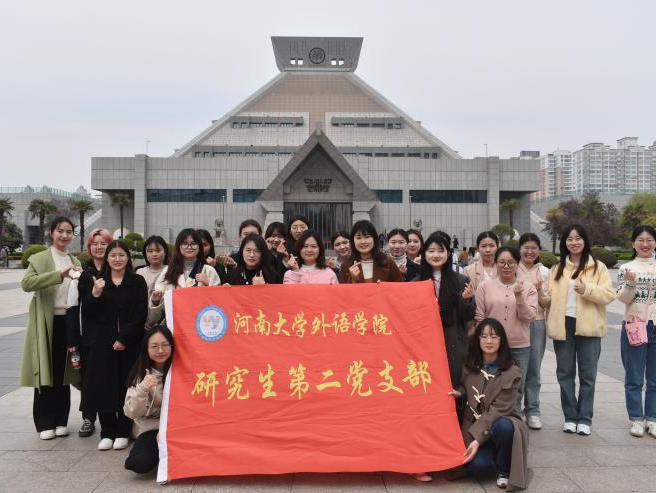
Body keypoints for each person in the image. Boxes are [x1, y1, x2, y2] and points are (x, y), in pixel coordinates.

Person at [542, 224, 615, 436]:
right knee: (564, 374)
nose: (574, 242)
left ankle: (584, 418)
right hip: (563, 325)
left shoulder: (598, 267)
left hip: (589, 327)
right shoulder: (557, 269)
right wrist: (543, 298)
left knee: (588, 375)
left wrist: (587, 289)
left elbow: (608, 295)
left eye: (578, 238)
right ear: (565, 243)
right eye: (569, 239)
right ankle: (570, 417)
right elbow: (548, 299)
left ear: (585, 240)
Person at [447, 318, 530, 491]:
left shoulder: (512, 370)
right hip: (474, 424)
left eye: (494, 337)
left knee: (505, 427)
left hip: (500, 422)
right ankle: (491, 454)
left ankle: (503, 470)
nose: (489, 341)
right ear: (477, 340)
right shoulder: (469, 364)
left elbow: (499, 409)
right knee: (477, 466)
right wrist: (460, 393)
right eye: (484, 336)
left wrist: (477, 440)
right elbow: (464, 386)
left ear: (502, 340)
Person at [81, 240, 148, 451]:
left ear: (128, 258)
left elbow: (140, 314)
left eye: (121, 255)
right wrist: (95, 294)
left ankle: (123, 430)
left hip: (130, 343)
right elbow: (88, 314)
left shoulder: (137, 281)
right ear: (107, 259)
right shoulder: (99, 281)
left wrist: (124, 339)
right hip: (102, 343)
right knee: (103, 385)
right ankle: (107, 431)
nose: (117, 259)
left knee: (126, 386)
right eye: (113, 256)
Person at [20, 216, 82, 440]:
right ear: (51, 232)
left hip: (68, 322)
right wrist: (58, 275)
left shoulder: (75, 259)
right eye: (60, 231)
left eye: (68, 232)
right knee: (46, 371)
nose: (64, 235)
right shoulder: (40, 258)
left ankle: (61, 420)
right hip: (47, 321)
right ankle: (45, 421)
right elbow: (27, 284)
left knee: (63, 371)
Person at [475, 246, 538, 410]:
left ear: (517, 264)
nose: (506, 266)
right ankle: (487, 419)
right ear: (496, 263)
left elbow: (529, 317)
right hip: (491, 346)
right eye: (502, 262)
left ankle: (515, 419)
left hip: (519, 346)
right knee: (490, 383)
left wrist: (519, 297)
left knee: (516, 386)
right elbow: (480, 317)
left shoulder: (528, 287)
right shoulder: (484, 286)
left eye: (511, 262)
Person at [66, 227, 113, 438]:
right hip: (88, 336)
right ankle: (88, 417)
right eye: (95, 244)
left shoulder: (116, 271)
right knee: (88, 379)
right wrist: (73, 338)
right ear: (89, 247)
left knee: (108, 376)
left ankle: (111, 416)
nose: (99, 247)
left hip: (111, 335)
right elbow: (73, 307)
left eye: (103, 243)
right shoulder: (82, 275)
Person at [417, 231, 475, 387]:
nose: (436, 255)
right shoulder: (416, 282)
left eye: (440, 250)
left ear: (448, 254)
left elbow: (468, 316)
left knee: (452, 383)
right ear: (424, 254)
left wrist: (467, 300)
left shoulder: (461, 280)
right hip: (424, 344)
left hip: (453, 342)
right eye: (431, 251)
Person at [617, 225, 656, 438]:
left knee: (654, 378)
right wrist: (631, 284)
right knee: (634, 377)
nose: (645, 244)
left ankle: (652, 418)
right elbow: (623, 299)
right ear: (633, 243)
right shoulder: (627, 268)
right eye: (640, 240)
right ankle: (636, 419)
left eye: (649, 239)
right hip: (634, 326)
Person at [124, 325, 174, 474]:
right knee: (139, 462)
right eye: (154, 346)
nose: (160, 350)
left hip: (180, 426)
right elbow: (130, 412)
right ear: (146, 349)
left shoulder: (181, 368)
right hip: (152, 428)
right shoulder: (141, 374)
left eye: (165, 345)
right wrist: (143, 388)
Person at [148, 229, 221, 326]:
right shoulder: (168, 271)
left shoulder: (208, 270)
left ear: (199, 247)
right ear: (178, 246)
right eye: (185, 243)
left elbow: (219, 302)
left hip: (201, 325)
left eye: (193, 243)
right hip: (174, 325)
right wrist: (156, 301)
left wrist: (209, 282)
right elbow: (155, 316)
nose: (189, 247)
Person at [516, 233, 550, 430]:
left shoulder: (545, 272)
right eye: (525, 247)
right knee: (517, 368)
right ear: (520, 249)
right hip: (517, 323)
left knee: (534, 368)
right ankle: (516, 410)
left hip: (537, 323)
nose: (529, 251)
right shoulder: (512, 268)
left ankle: (533, 411)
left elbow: (547, 303)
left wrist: (539, 290)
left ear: (539, 250)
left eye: (533, 248)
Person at [339, 221, 404, 284]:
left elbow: (400, 288)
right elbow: (343, 293)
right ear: (353, 241)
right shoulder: (346, 265)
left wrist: (384, 287)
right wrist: (353, 280)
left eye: (367, 237)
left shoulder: (387, 261)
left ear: (374, 239)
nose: (363, 241)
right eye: (358, 238)